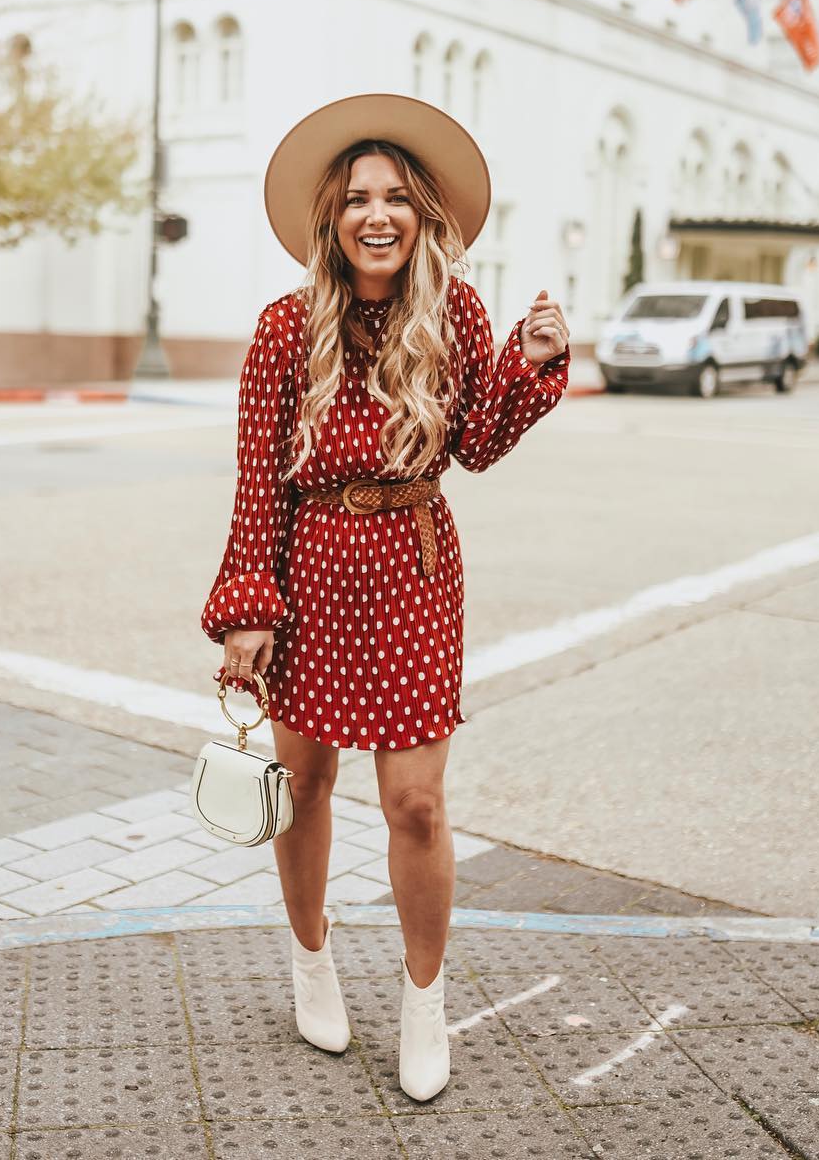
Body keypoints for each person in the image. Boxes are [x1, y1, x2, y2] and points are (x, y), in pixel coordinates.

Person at [200, 93, 570, 1102]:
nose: (376, 214)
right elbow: (256, 481)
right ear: (332, 216)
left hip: (413, 571)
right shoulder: (285, 329)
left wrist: (529, 368)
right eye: (358, 197)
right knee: (306, 786)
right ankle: (312, 961)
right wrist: (247, 604)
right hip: (310, 573)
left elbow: (479, 444)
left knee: (414, 802)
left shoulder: (455, 314)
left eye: (397, 197)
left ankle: (423, 1000)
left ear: (424, 216)